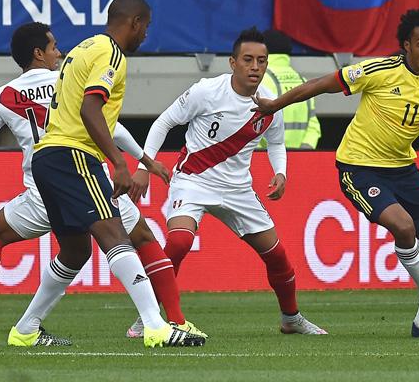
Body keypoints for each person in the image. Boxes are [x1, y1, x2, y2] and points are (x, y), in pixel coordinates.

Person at [252, 8, 419, 338]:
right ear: (406, 45)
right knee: (403, 225)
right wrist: (273, 104)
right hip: (359, 167)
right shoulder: (380, 70)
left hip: (404, 169)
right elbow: (322, 84)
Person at [0, 22, 206, 344]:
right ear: (38, 53)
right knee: (138, 238)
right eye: (52, 47)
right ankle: (169, 323)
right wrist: (143, 161)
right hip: (83, 173)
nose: (58, 52)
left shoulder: (3, 96)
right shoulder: (68, 78)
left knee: (9, 236)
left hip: (42, 190)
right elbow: (111, 128)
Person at [129, 27, 327, 336]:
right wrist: (145, 165)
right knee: (179, 242)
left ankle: (291, 319)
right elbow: (165, 121)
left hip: (238, 190)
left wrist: (280, 171)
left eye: (262, 61)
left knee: (277, 256)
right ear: (232, 62)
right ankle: (149, 316)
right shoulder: (206, 91)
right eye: (248, 60)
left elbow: (275, 143)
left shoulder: (269, 104)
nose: (255, 67)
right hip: (193, 181)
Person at [258, 29, 321, 150]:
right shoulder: (302, 81)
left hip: (269, 159)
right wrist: (304, 152)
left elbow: (256, 126)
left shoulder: (260, 80)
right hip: (300, 159)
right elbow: (313, 125)